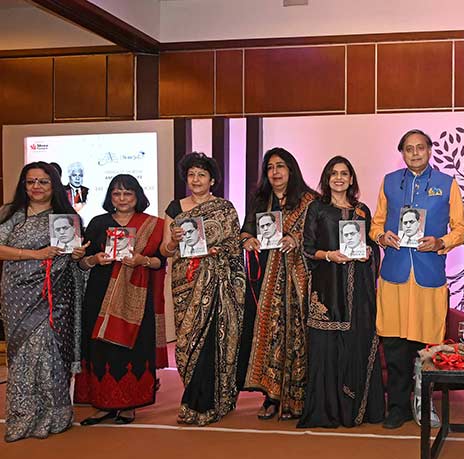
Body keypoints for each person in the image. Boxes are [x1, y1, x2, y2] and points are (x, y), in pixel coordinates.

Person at [371, 129, 464, 429]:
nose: (415, 153)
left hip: (428, 277)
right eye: (409, 149)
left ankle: (426, 404)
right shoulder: (389, 182)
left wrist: (441, 243)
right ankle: (397, 407)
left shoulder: (446, 184)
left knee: (426, 347)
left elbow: (461, 228)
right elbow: (375, 224)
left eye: (421, 148)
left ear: (430, 151)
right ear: (402, 152)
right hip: (395, 276)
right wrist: (381, 236)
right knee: (396, 345)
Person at [0, 161, 88, 442]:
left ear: (54, 185)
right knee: (22, 354)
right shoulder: (10, 213)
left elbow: (72, 257)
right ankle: (23, 416)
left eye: (43, 182)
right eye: (30, 182)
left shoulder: (64, 216)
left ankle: (54, 416)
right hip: (17, 295)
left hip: (54, 296)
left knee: (49, 352)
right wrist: (34, 255)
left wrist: (75, 258)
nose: (36, 187)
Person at [299, 156, 385, 428]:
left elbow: (372, 247)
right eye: (334, 173)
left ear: (351, 179)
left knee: (358, 342)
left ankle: (356, 410)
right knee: (327, 347)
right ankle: (328, 411)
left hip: (358, 290)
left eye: (344, 173)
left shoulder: (362, 211)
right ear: (327, 178)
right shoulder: (317, 208)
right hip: (328, 290)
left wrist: (369, 253)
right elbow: (308, 248)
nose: (339, 178)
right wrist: (330, 256)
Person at [73, 175, 166, 425]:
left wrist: (141, 261)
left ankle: (128, 405)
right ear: (109, 197)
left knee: (132, 347)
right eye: (116, 193)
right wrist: (95, 260)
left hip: (136, 297)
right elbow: (82, 262)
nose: (122, 199)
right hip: (99, 293)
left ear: (138, 196)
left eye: (128, 193)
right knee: (100, 346)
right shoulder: (97, 223)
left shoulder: (152, 224)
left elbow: (160, 261)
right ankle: (104, 404)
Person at [161, 152, 246, 426]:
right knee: (187, 342)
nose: (195, 180)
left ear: (212, 180)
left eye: (201, 175)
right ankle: (194, 397)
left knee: (214, 340)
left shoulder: (224, 208)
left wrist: (215, 252)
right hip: (185, 283)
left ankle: (211, 403)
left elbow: (235, 246)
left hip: (221, 285)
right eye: (191, 175)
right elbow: (165, 250)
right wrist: (173, 241)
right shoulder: (175, 208)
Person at [238, 147, 317, 420]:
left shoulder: (309, 201)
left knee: (298, 336)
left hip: (301, 280)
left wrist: (296, 240)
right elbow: (245, 231)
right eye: (270, 167)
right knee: (271, 334)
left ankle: (299, 397)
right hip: (267, 280)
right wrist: (248, 240)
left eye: (280, 166)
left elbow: (318, 237)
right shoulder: (261, 200)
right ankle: (271, 397)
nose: (275, 172)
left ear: (291, 169)